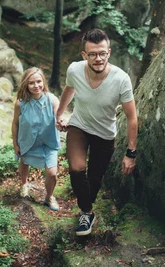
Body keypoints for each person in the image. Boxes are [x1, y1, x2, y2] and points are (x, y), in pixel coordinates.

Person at [56, 29, 138, 236]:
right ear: (84, 55)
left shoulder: (121, 79)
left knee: (95, 178)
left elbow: (131, 117)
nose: (98, 58)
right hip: (79, 126)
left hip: (104, 134)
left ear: (108, 52)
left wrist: (131, 153)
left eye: (102, 53)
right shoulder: (75, 70)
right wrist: (59, 114)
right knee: (76, 169)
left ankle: (86, 207)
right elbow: (69, 88)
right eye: (92, 54)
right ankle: (87, 212)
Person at [12, 67, 61, 211]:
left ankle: (49, 196)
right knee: (24, 161)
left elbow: (60, 118)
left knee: (52, 173)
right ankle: (24, 183)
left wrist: (63, 122)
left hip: (48, 142)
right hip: (27, 140)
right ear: (26, 85)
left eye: (39, 81)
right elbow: (15, 124)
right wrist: (15, 144)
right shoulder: (20, 103)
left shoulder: (52, 100)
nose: (36, 86)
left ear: (43, 82)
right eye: (31, 83)